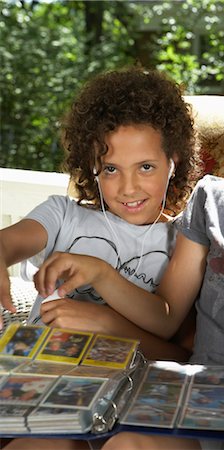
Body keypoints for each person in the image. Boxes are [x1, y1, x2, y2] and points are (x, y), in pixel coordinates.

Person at [10, 33, 224, 450]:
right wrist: (100, 273)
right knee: (125, 444)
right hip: (197, 397)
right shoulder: (210, 201)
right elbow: (165, 314)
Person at [0, 66, 198, 366]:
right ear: (91, 166)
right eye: (110, 169)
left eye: (145, 167)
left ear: (173, 162)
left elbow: (182, 357)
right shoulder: (62, 216)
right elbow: (7, 243)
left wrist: (105, 321)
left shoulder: (186, 244)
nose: (128, 188)